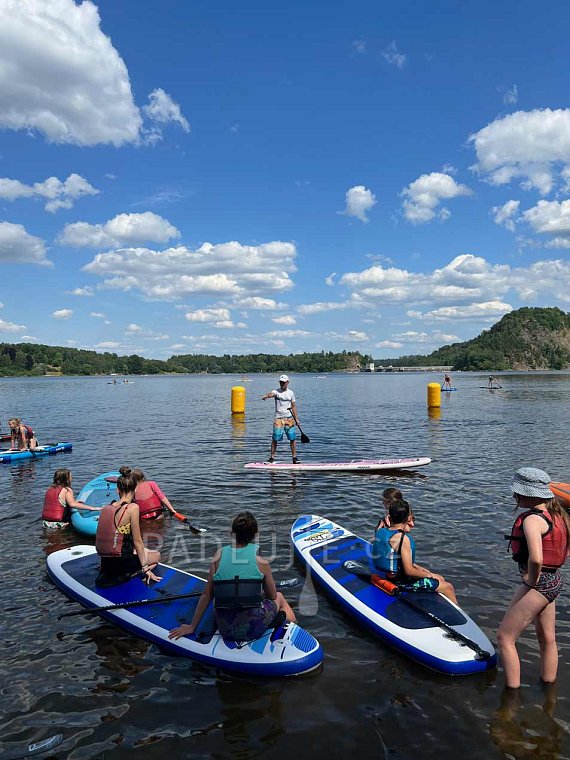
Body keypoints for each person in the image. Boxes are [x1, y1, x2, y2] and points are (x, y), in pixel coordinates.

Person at [169, 511, 295, 642]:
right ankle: (290, 626)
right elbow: (272, 596)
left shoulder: (218, 556)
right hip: (253, 628)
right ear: (255, 534)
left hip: (224, 628)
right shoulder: (261, 562)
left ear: (232, 533)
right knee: (279, 597)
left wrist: (192, 626)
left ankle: (277, 621)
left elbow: (207, 595)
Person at [497, 467, 570, 689]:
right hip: (555, 580)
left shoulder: (532, 520)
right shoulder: (560, 515)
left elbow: (536, 559)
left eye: (517, 493)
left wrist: (531, 580)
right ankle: (549, 687)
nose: (514, 497)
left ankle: (511, 696)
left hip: (539, 584)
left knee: (505, 637)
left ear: (528, 494)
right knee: (547, 638)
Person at [371, 498, 457, 602]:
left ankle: (438, 602)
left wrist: (420, 568)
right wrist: (429, 575)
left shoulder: (382, 531)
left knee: (439, 578)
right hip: (401, 583)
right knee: (448, 587)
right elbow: (409, 571)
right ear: (407, 518)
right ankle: (460, 616)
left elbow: (395, 558)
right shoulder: (402, 538)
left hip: (391, 576)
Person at [95, 466, 161, 586]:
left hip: (106, 565)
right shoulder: (132, 508)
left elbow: (107, 538)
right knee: (156, 555)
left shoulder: (107, 508)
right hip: (122, 565)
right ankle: (136, 573)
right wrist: (146, 568)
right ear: (135, 489)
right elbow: (138, 541)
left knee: (145, 551)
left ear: (117, 490)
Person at [261, 374, 299, 464]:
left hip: (289, 418)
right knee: (275, 438)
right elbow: (271, 394)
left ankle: (294, 458)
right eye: (280, 382)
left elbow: (293, 406)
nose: (282, 384)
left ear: (287, 382)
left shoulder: (291, 393)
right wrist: (267, 396)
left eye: (283, 382)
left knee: (292, 439)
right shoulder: (276, 392)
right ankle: (271, 458)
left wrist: (296, 419)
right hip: (278, 418)